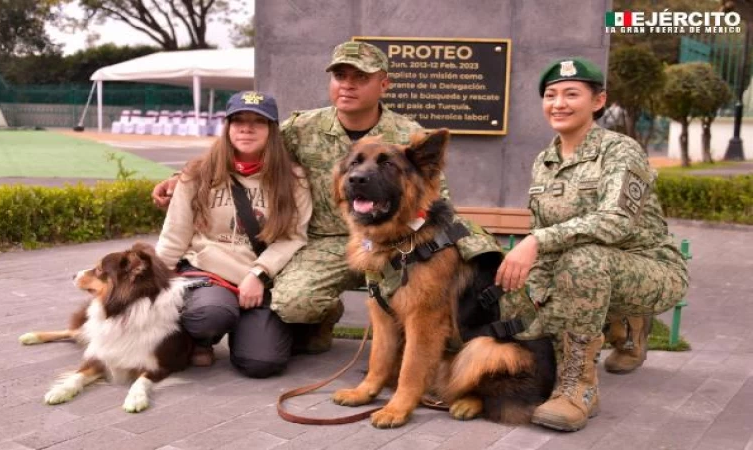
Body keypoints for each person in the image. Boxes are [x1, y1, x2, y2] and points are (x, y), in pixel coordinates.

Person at [153, 41, 498, 354]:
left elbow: (437, 201)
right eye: (340, 75)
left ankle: (405, 351)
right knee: (293, 303)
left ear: (384, 85)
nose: (347, 84)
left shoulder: (408, 136)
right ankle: (323, 315)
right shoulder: (302, 128)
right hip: (326, 243)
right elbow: (248, 149)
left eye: (360, 77)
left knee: (433, 319)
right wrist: (182, 179)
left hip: (393, 244)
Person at [495, 57, 688, 432]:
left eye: (572, 94)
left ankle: (579, 389)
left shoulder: (620, 150)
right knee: (514, 311)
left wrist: (536, 241)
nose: (559, 103)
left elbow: (614, 223)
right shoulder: (545, 160)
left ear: (598, 102)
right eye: (551, 95)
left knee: (584, 261)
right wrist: (531, 292)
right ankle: (615, 326)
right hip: (577, 272)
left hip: (647, 267)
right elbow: (546, 238)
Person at [155, 90, 312, 378]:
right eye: (238, 120)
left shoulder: (293, 179)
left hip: (258, 282)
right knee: (210, 315)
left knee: (263, 362)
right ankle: (199, 338)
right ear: (227, 126)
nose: (247, 128)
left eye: (258, 121)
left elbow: (293, 237)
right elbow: (175, 233)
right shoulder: (198, 173)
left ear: (272, 130)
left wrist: (259, 273)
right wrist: (153, 282)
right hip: (208, 273)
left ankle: (253, 329)